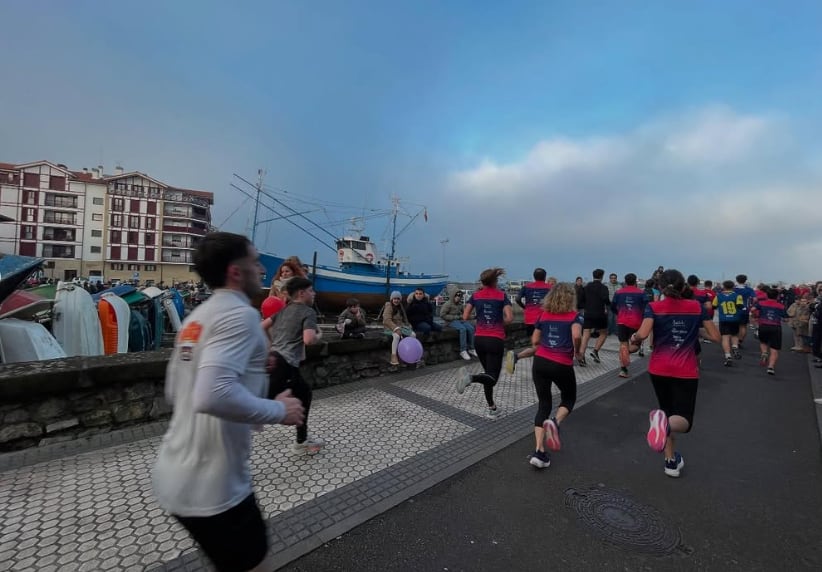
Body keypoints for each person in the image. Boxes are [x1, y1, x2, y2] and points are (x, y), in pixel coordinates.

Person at [152, 232, 305, 572]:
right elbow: (212, 394)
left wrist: (251, 388)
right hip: (214, 486)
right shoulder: (240, 315)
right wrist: (279, 410)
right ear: (236, 272)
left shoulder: (196, 319)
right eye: (254, 264)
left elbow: (178, 393)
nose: (262, 272)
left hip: (174, 475)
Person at [629, 269, 720, 478]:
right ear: (683, 286)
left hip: (659, 368)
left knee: (667, 412)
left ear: (660, 287)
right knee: (684, 421)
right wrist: (695, 329)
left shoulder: (654, 307)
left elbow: (642, 334)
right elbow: (715, 336)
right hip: (685, 370)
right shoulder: (696, 307)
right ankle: (664, 428)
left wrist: (633, 339)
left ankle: (670, 461)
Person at [527, 283, 583, 469]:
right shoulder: (574, 316)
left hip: (540, 362)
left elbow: (535, 340)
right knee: (569, 397)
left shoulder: (543, 315)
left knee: (544, 404)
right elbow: (576, 335)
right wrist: (577, 351)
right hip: (561, 364)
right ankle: (555, 422)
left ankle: (539, 452)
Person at [268, 277, 325, 454]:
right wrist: (319, 335)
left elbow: (261, 326)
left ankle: (301, 441)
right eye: (311, 290)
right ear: (301, 293)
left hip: (275, 359)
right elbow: (308, 339)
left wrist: (271, 346)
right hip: (285, 365)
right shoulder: (308, 312)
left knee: (304, 394)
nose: (314, 293)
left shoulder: (283, 311)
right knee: (255, 408)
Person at [455, 268, 513, 419]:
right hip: (495, 340)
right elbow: (509, 318)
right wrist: (497, 323)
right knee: (492, 378)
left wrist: (481, 321)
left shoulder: (475, 296)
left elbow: (465, 316)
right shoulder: (502, 296)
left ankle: (492, 408)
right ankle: (470, 378)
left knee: (488, 374)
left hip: (479, 339)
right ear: (495, 281)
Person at [506, 267, 552, 374]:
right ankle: (517, 357)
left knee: (536, 345)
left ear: (534, 276)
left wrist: (525, 307)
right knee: (542, 345)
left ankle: (538, 367)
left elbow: (517, 299)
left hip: (530, 319)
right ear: (545, 277)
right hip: (544, 319)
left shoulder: (526, 287)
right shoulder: (550, 288)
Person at [611, 273, 647, 378]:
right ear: (635, 281)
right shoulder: (641, 293)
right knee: (636, 346)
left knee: (623, 344)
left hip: (622, 321)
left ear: (625, 282)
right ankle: (623, 368)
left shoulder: (618, 293)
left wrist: (619, 313)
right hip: (636, 323)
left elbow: (613, 306)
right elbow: (646, 308)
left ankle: (623, 367)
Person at [577, 268, 612, 365]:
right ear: (602, 277)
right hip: (600, 313)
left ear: (593, 276)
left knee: (586, 333)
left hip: (588, 313)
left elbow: (580, 300)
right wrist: (609, 305)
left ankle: (582, 354)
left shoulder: (586, 287)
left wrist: (586, 307)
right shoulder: (604, 288)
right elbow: (606, 299)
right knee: (604, 333)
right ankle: (595, 351)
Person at [754, 287, 787, 375]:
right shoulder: (781, 306)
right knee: (774, 348)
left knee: (763, 342)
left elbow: (753, 310)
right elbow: (785, 317)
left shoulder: (761, 303)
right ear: (777, 297)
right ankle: (771, 367)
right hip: (775, 327)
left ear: (767, 295)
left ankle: (764, 353)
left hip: (763, 325)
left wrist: (756, 316)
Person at [439, 285, 476, 360]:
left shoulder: (460, 304)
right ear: (453, 295)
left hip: (460, 320)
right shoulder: (448, 304)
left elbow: (465, 314)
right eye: (457, 295)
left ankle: (471, 348)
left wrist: (474, 316)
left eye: (460, 295)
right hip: (450, 321)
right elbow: (442, 315)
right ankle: (463, 350)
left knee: (471, 328)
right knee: (462, 329)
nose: (458, 297)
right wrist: (454, 317)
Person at [713, 280, 744, 366]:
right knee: (735, 335)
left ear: (724, 286)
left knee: (725, 338)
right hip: (735, 319)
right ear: (733, 287)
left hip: (723, 319)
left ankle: (728, 356)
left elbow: (713, 306)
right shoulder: (737, 296)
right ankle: (735, 347)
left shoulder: (718, 296)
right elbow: (740, 306)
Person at [382, 290, 416, 366]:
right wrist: (396, 328)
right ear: (391, 299)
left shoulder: (401, 306)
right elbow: (386, 320)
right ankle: (393, 356)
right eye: (394, 299)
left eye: (398, 299)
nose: (396, 300)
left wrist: (408, 325)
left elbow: (404, 318)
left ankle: (410, 352)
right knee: (396, 336)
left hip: (400, 326)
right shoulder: (389, 307)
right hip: (390, 328)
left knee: (413, 335)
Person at [733, 274, 756, 347]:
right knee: (743, 326)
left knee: (734, 326)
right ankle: (740, 341)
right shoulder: (749, 289)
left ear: (736, 280)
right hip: (744, 309)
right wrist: (750, 305)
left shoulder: (733, 289)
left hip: (734, 310)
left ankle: (734, 342)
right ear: (745, 280)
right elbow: (755, 299)